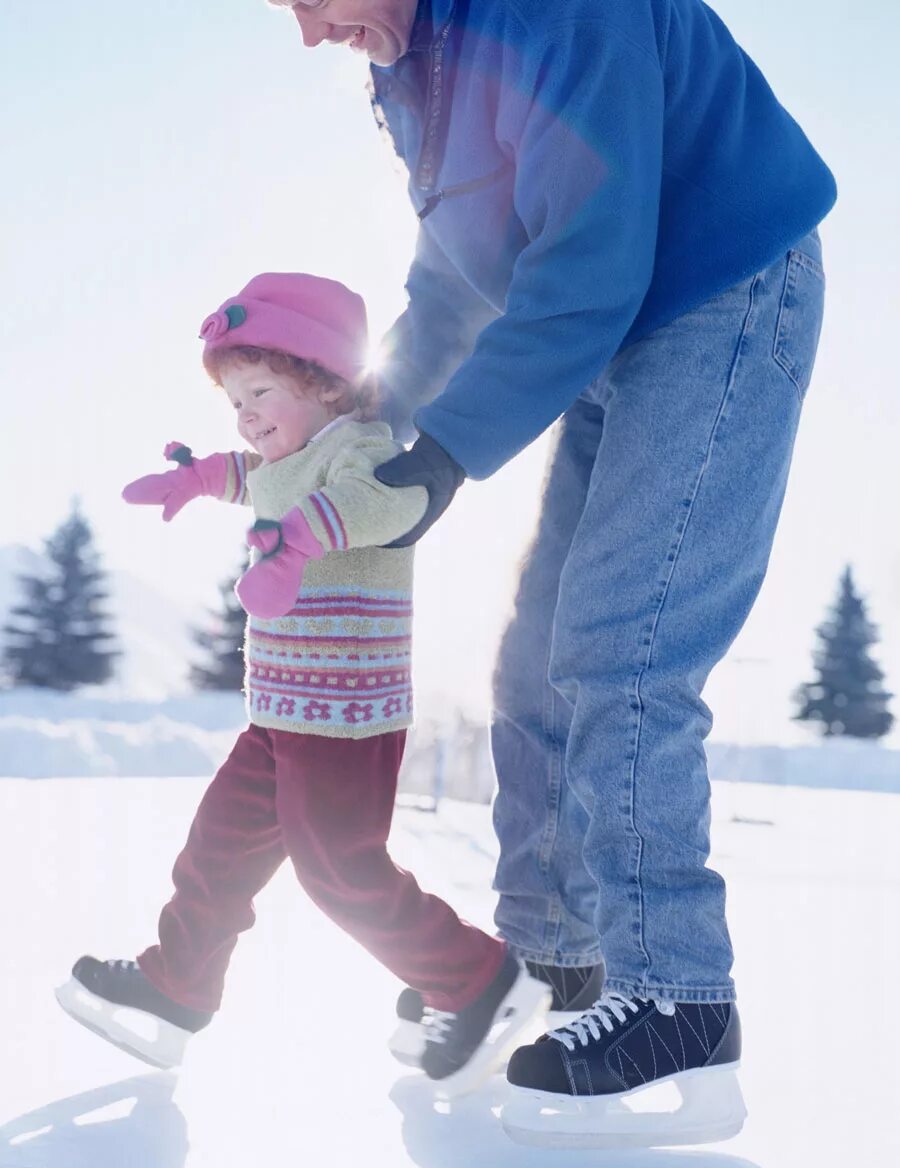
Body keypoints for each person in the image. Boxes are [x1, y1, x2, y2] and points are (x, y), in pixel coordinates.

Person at [275, 0, 837, 1147]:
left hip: (719, 293)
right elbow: (452, 280)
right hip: (615, 334)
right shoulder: (413, 59)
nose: (307, 31)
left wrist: (443, 458)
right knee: (531, 664)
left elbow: (588, 260)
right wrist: (374, 445)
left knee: (623, 644)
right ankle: (555, 962)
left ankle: (677, 998)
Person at [54, 272, 552, 1098]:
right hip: (279, 716)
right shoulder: (284, 460)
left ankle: (479, 979)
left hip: (346, 722)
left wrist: (300, 541)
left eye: (260, 391)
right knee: (213, 852)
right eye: (234, 401)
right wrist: (197, 477)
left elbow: (379, 507)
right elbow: (249, 476)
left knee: (341, 871)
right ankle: (176, 987)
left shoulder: (360, 449)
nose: (246, 415)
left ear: (322, 381)